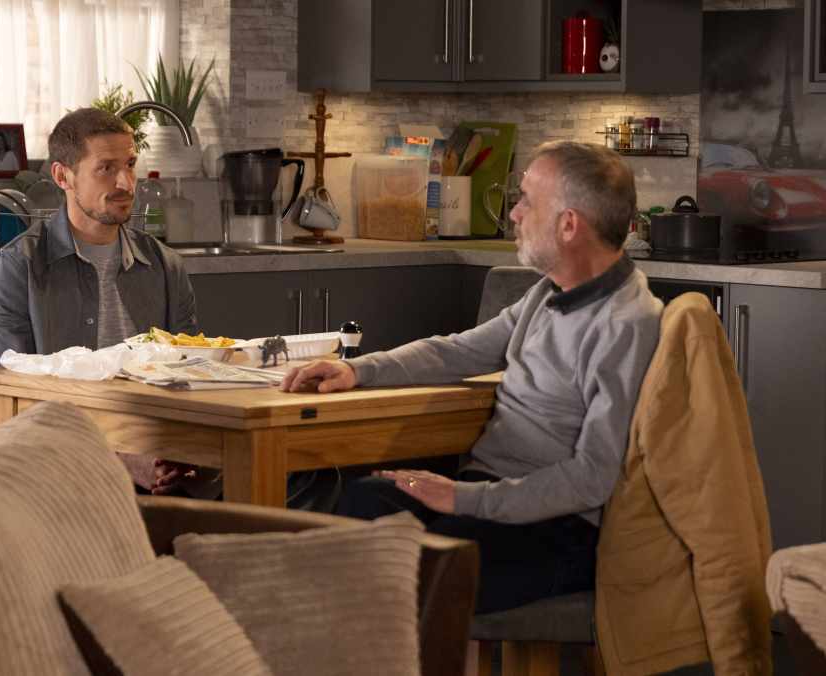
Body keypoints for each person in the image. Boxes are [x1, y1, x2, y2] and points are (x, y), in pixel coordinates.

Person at [280, 141, 664, 614]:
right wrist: (357, 369)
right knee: (362, 506)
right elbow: (460, 351)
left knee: (414, 569)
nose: (515, 215)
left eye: (526, 201)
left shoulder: (627, 324)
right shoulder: (550, 292)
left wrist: (464, 499)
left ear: (569, 225)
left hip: (558, 528)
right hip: (487, 496)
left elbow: (590, 480)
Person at [0, 108, 200, 495]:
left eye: (130, 165)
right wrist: (119, 460)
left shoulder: (165, 266)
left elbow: (191, 376)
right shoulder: (16, 269)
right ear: (63, 177)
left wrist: (178, 453)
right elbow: (7, 405)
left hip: (156, 455)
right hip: (50, 472)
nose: (126, 182)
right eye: (106, 168)